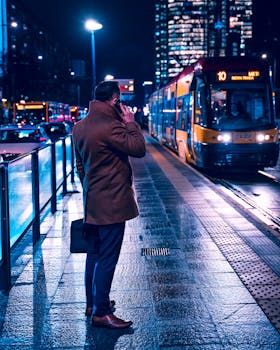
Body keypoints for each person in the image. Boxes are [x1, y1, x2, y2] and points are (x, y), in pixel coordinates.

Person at [72, 80, 146, 329]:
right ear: (114, 100)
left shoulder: (79, 127)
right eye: (120, 101)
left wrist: (91, 189)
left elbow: (80, 166)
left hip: (92, 202)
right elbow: (138, 148)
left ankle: (92, 303)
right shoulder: (111, 126)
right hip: (112, 204)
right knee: (107, 258)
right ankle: (102, 313)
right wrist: (130, 123)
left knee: (93, 255)